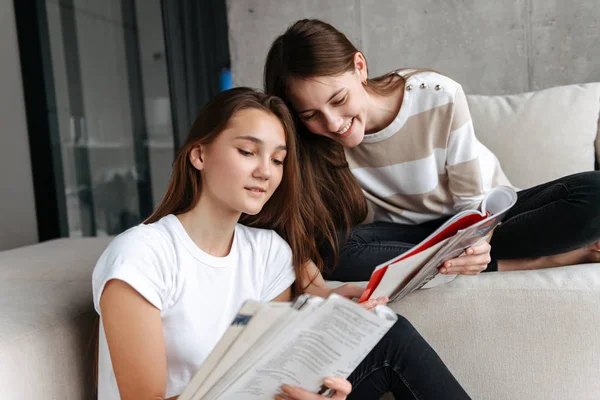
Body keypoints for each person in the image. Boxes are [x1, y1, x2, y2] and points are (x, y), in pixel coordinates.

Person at [92, 87, 470, 399]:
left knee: (390, 334)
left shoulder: (268, 252)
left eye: (277, 159)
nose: (265, 171)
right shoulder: (142, 254)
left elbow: (270, 375)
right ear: (199, 154)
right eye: (247, 152)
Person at [263, 18, 600, 283]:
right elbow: (293, 224)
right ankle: (533, 262)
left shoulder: (436, 94)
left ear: (360, 67)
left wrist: (478, 241)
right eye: (311, 115)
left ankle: (486, 261)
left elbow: (473, 202)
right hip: (410, 238)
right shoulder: (312, 141)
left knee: (594, 193)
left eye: (339, 100)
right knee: (333, 250)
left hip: (485, 218)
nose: (334, 123)